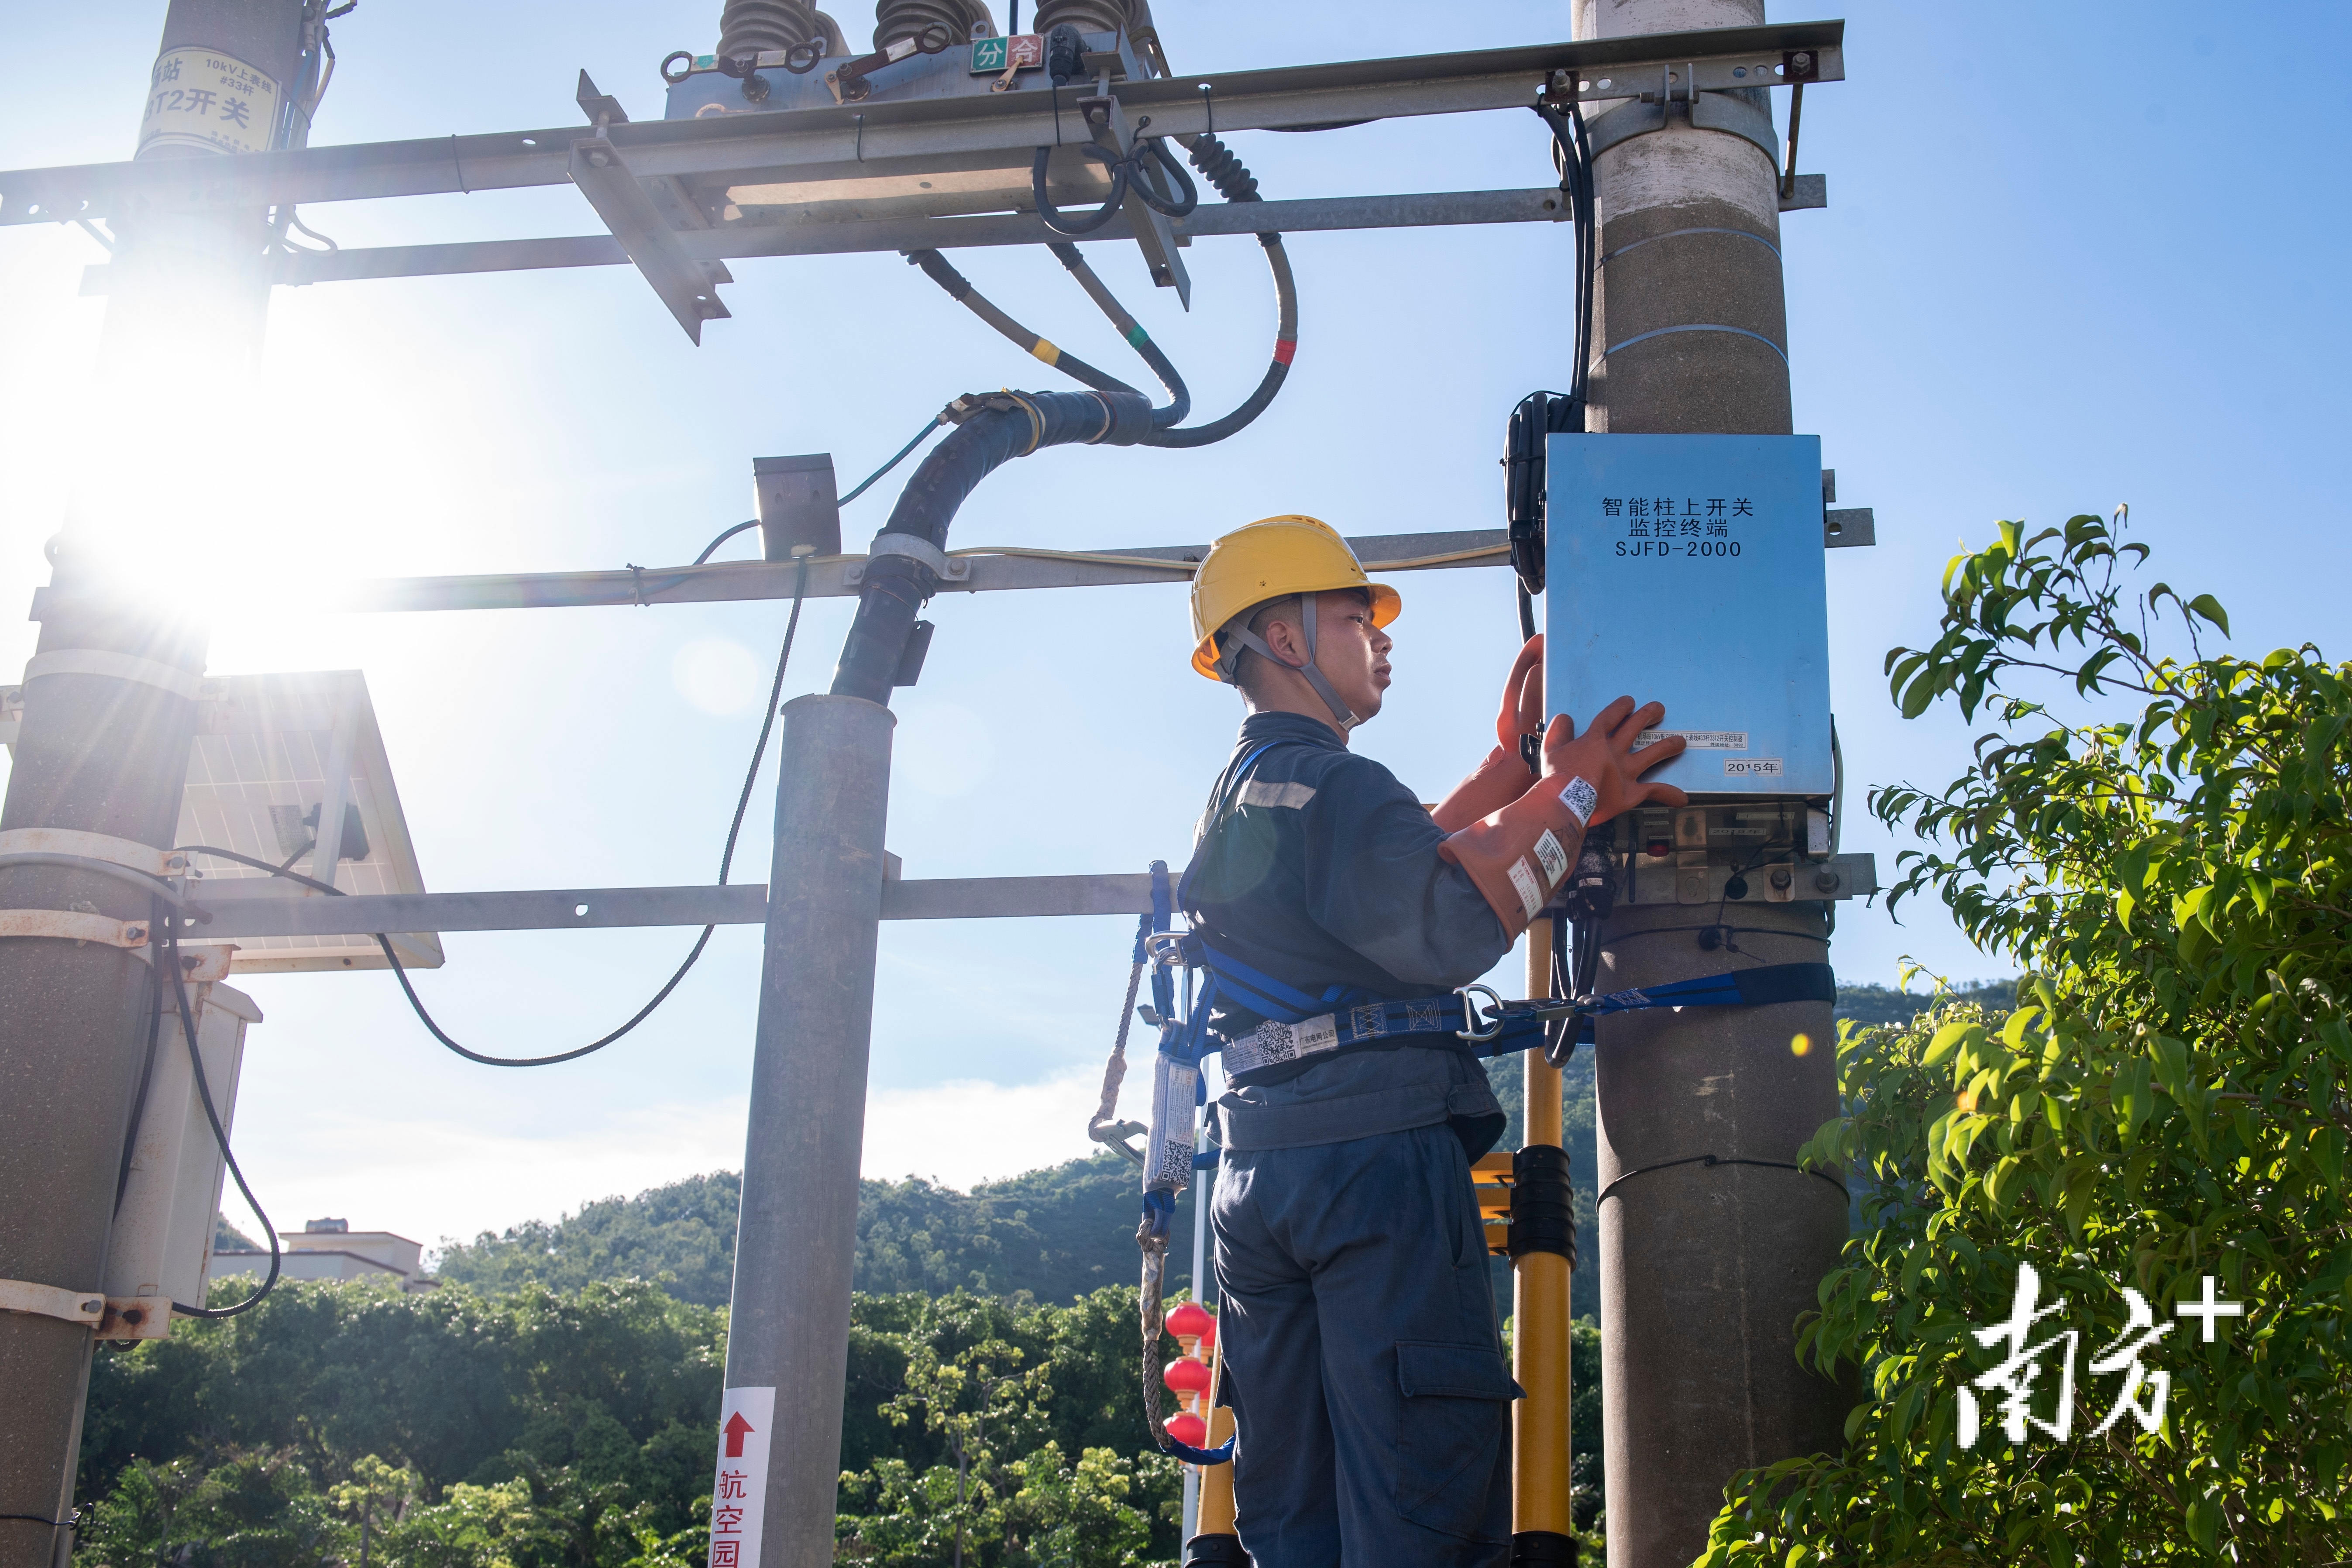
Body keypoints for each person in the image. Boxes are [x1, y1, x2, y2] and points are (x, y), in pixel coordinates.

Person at [1178, 516, 1687, 1567]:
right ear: (1283, 635)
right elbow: (1444, 916)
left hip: (1262, 1170)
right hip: (1370, 1164)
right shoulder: (1337, 785)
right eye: (1357, 615)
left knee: (1298, 1509)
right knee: (1421, 1500)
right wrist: (1576, 790)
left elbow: (1398, 870)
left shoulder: (1252, 788)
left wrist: (1517, 766)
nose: (1381, 635)